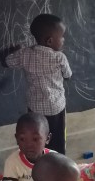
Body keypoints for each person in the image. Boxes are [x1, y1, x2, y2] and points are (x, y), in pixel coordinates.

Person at [4, 14, 73, 154]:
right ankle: (59, 162)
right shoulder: (59, 57)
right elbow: (68, 75)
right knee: (58, 139)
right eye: (62, 37)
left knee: (38, 139)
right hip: (56, 108)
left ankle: (39, 163)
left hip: (35, 110)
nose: (63, 40)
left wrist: (13, 51)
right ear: (49, 41)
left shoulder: (25, 54)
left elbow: (7, 62)